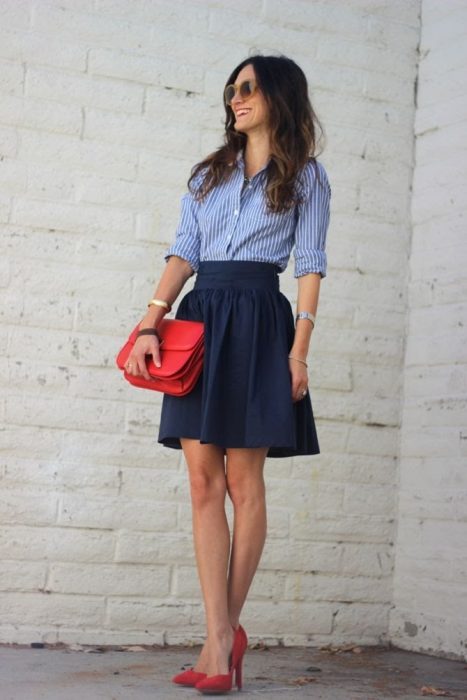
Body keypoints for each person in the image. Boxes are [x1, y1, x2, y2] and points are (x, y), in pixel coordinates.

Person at [124, 54, 331, 695]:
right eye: (231, 90)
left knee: (245, 481)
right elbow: (183, 251)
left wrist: (298, 353)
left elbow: (311, 265)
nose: (236, 98)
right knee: (201, 483)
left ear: (278, 95)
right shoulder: (206, 176)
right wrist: (149, 324)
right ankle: (221, 635)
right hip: (202, 318)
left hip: (260, 324)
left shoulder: (307, 178)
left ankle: (222, 636)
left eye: (248, 88)